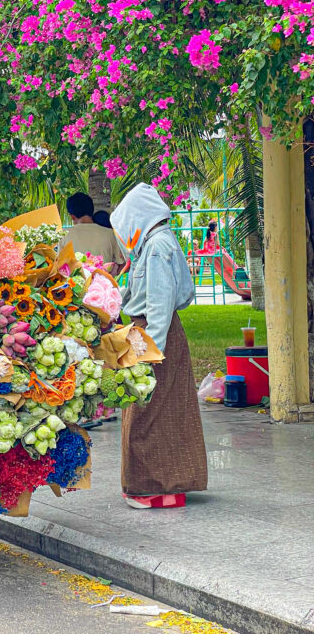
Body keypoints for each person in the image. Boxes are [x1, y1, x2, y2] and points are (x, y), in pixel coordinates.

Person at [110, 183, 208, 509]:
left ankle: (151, 488)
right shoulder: (156, 244)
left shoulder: (156, 248)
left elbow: (159, 305)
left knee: (145, 410)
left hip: (153, 334)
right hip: (150, 332)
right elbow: (143, 298)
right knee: (159, 410)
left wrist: (150, 353)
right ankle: (161, 483)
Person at [58, 192, 127, 275]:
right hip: (105, 286)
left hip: (72, 286)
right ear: (92, 210)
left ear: (72, 216)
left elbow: (59, 267)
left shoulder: (63, 235)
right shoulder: (110, 234)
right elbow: (122, 265)